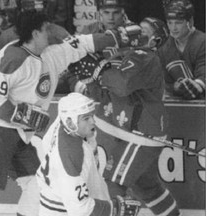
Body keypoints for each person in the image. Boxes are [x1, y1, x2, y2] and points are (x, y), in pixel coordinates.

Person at [0, 2, 125, 215]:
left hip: (19, 135)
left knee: (36, 186)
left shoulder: (50, 54)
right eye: (46, 28)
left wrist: (117, 37)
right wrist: (23, 116)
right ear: (35, 33)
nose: (51, 32)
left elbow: (81, 44)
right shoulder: (13, 58)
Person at [91, 18, 182, 216]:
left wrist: (101, 72)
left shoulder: (144, 55)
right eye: (135, 30)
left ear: (154, 41)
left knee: (113, 182)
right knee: (146, 187)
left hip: (139, 134)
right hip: (133, 131)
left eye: (142, 32)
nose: (135, 34)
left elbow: (122, 85)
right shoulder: (129, 53)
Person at [36, 92, 141, 216]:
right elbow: (80, 209)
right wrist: (115, 208)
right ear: (70, 123)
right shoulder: (72, 154)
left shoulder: (63, 126)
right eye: (86, 118)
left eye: (92, 115)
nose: (93, 121)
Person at [158, 0, 205, 100]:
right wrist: (175, 87)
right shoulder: (164, 48)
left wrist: (197, 84)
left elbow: (204, 73)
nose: (173, 28)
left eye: (178, 23)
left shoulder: (203, 42)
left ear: (190, 21)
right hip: (177, 106)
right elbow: (163, 82)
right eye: (170, 23)